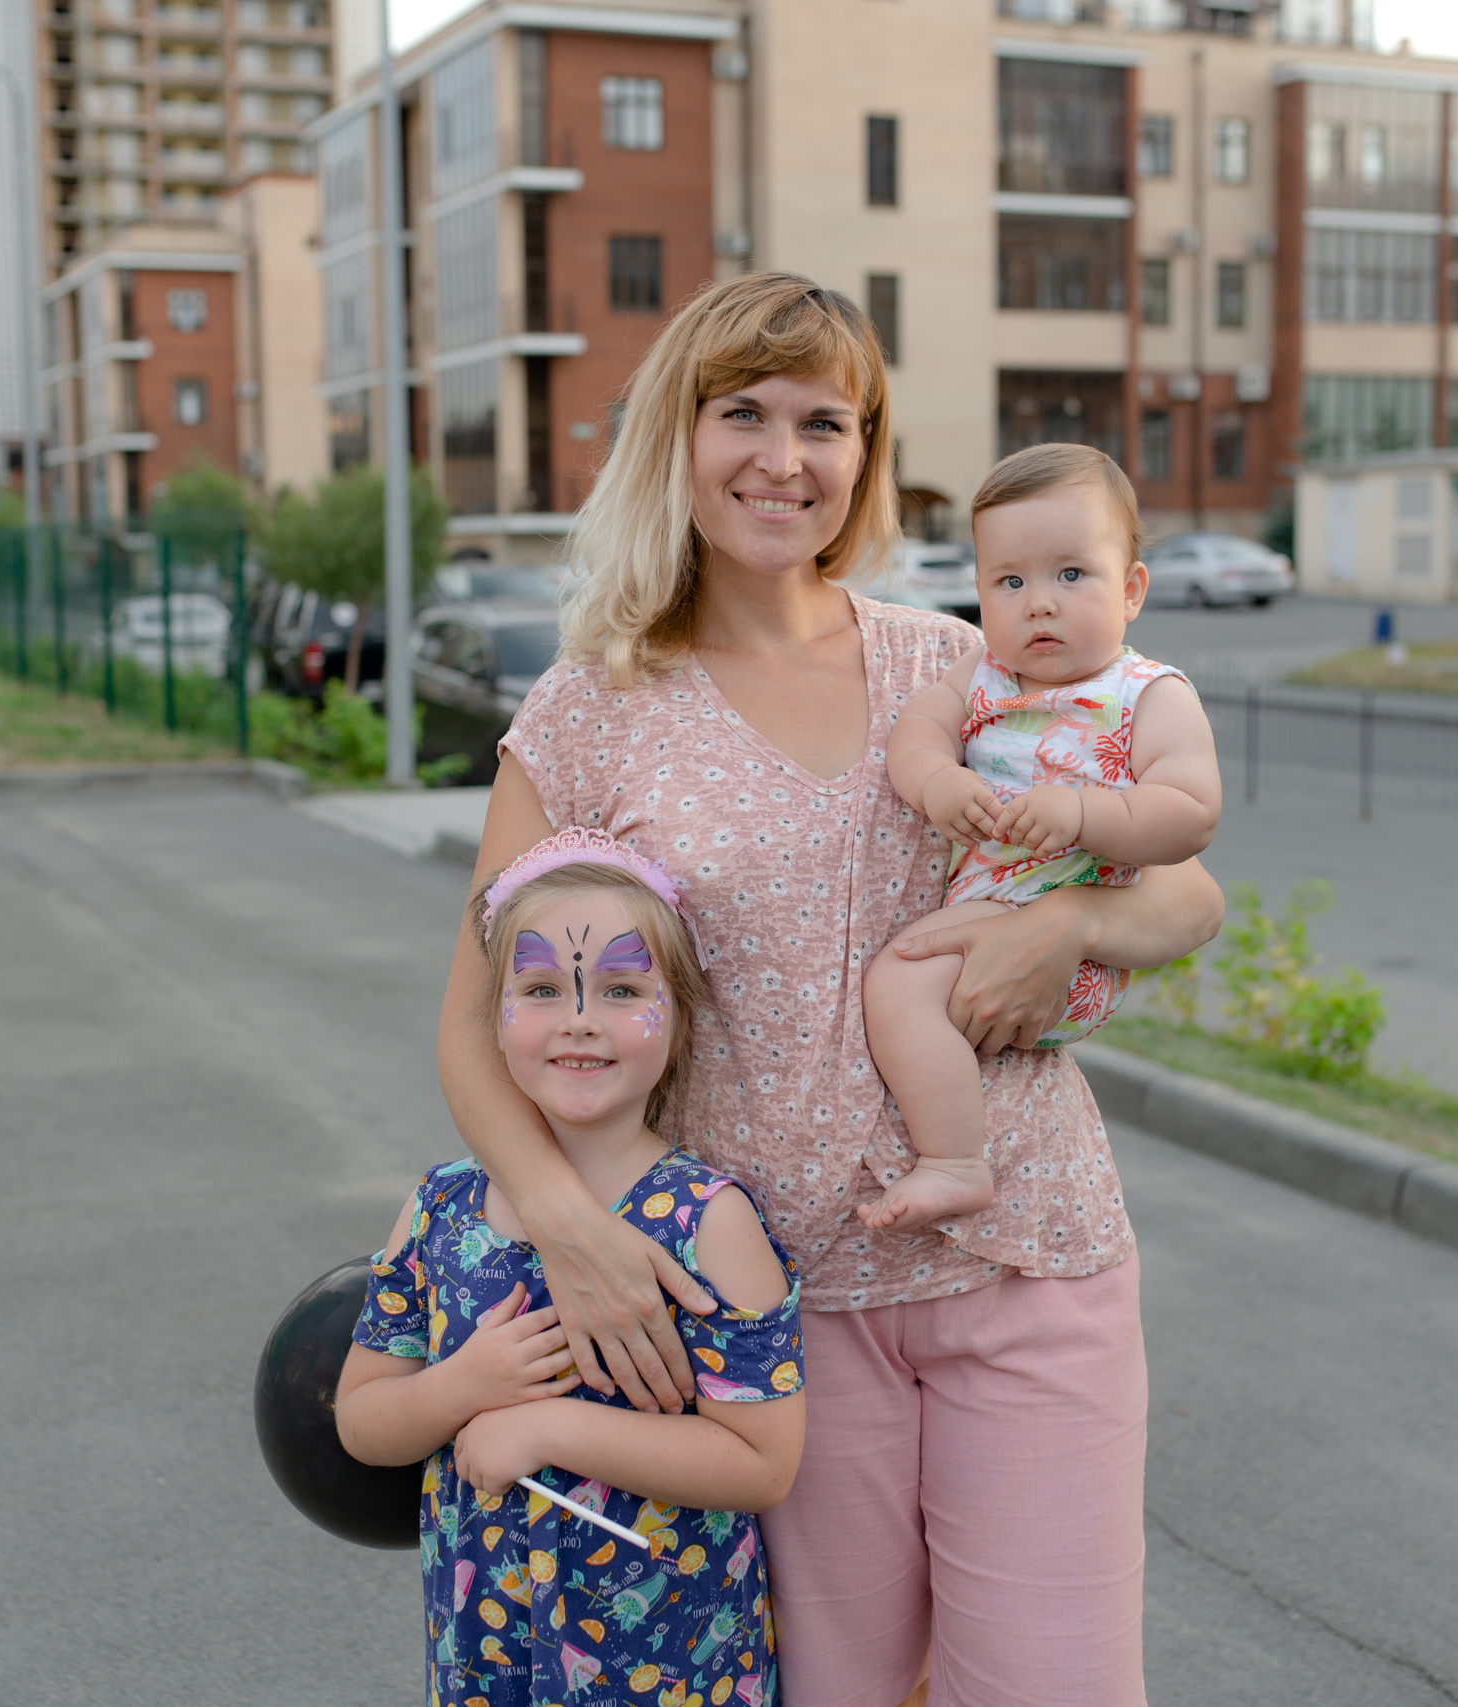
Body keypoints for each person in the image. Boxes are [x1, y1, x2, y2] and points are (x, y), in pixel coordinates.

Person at [439, 272, 1223, 1707]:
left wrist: (1072, 923)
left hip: (1026, 1252)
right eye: (743, 412)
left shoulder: (963, 663)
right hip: (773, 1311)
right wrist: (571, 1229)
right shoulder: (592, 707)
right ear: (679, 433)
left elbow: (1191, 896)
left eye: (825, 422)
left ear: (866, 451)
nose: (783, 458)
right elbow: (473, 1023)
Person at [339, 832, 804, 1706]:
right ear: (495, 1019)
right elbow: (361, 1420)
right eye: (542, 988)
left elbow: (761, 1462)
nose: (579, 1017)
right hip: (489, 1665)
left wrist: (548, 1428)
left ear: (680, 1017)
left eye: (622, 989)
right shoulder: (438, 1210)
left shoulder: (709, 1222)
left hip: (673, 1671)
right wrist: (460, 1386)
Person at [857, 445, 1220, 1231]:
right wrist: (937, 780)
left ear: (1131, 590)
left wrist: (1085, 812)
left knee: (897, 981)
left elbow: (1193, 810)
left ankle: (955, 1161)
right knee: (910, 981)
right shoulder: (980, 674)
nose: (1040, 604)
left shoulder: (1146, 695)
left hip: (1071, 941)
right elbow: (918, 731)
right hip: (995, 920)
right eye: (1010, 582)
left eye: (1071, 574)